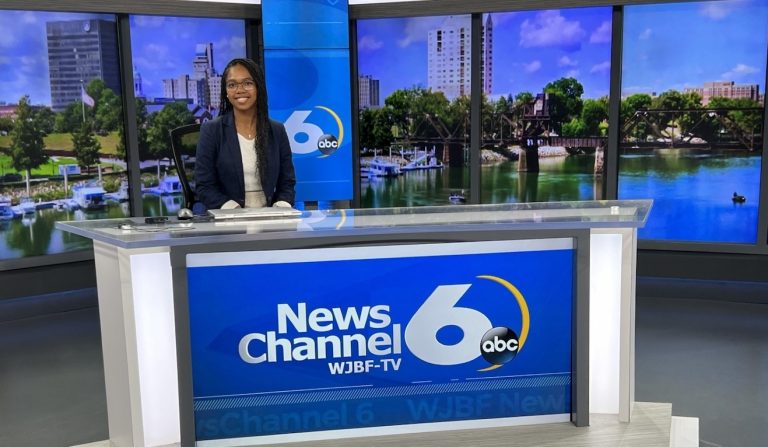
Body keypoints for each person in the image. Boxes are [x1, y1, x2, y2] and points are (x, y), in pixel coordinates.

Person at [195, 58, 296, 210]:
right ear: (226, 92)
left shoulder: (277, 131)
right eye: (232, 85)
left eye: (247, 83)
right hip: (228, 221)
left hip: (270, 219)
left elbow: (287, 182)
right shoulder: (212, 131)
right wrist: (233, 210)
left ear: (258, 87)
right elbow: (204, 186)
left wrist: (281, 206)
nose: (240, 90)